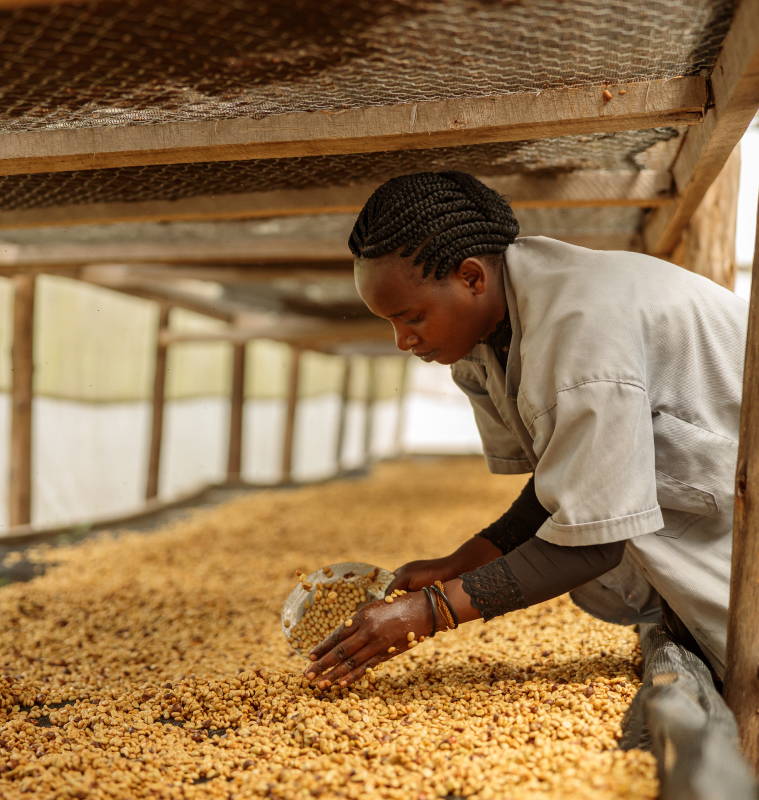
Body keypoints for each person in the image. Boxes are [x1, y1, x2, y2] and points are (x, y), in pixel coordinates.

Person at [304, 170, 747, 690]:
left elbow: (591, 542)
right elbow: (568, 478)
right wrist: (460, 562)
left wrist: (430, 612)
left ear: (471, 277)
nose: (402, 340)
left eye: (412, 317)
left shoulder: (582, 334)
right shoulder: (487, 337)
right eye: (391, 323)